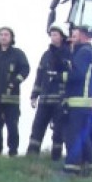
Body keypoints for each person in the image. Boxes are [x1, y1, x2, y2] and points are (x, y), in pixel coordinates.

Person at [0, 27, 30, 156]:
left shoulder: (18, 54)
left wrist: (15, 82)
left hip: (11, 98)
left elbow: (25, 69)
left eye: (6, 34)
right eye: (1, 35)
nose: (3, 37)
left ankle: (13, 152)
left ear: (11, 37)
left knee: (12, 126)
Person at [27, 26, 73, 159]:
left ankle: (56, 158)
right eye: (51, 35)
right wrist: (34, 95)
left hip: (60, 99)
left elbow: (72, 75)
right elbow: (39, 76)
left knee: (58, 131)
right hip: (44, 98)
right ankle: (31, 156)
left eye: (55, 35)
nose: (53, 37)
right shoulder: (46, 55)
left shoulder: (68, 54)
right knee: (37, 127)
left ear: (62, 36)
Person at [63, 26, 92, 176]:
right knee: (83, 134)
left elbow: (77, 74)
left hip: (78, 100)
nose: (71, 39)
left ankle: (72, 167)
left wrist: (60, 76)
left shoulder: (83, 52)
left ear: (84, 36)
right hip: (86, 101)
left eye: (74, 36)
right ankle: (89, 164)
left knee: (73, 134)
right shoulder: (91, 52)